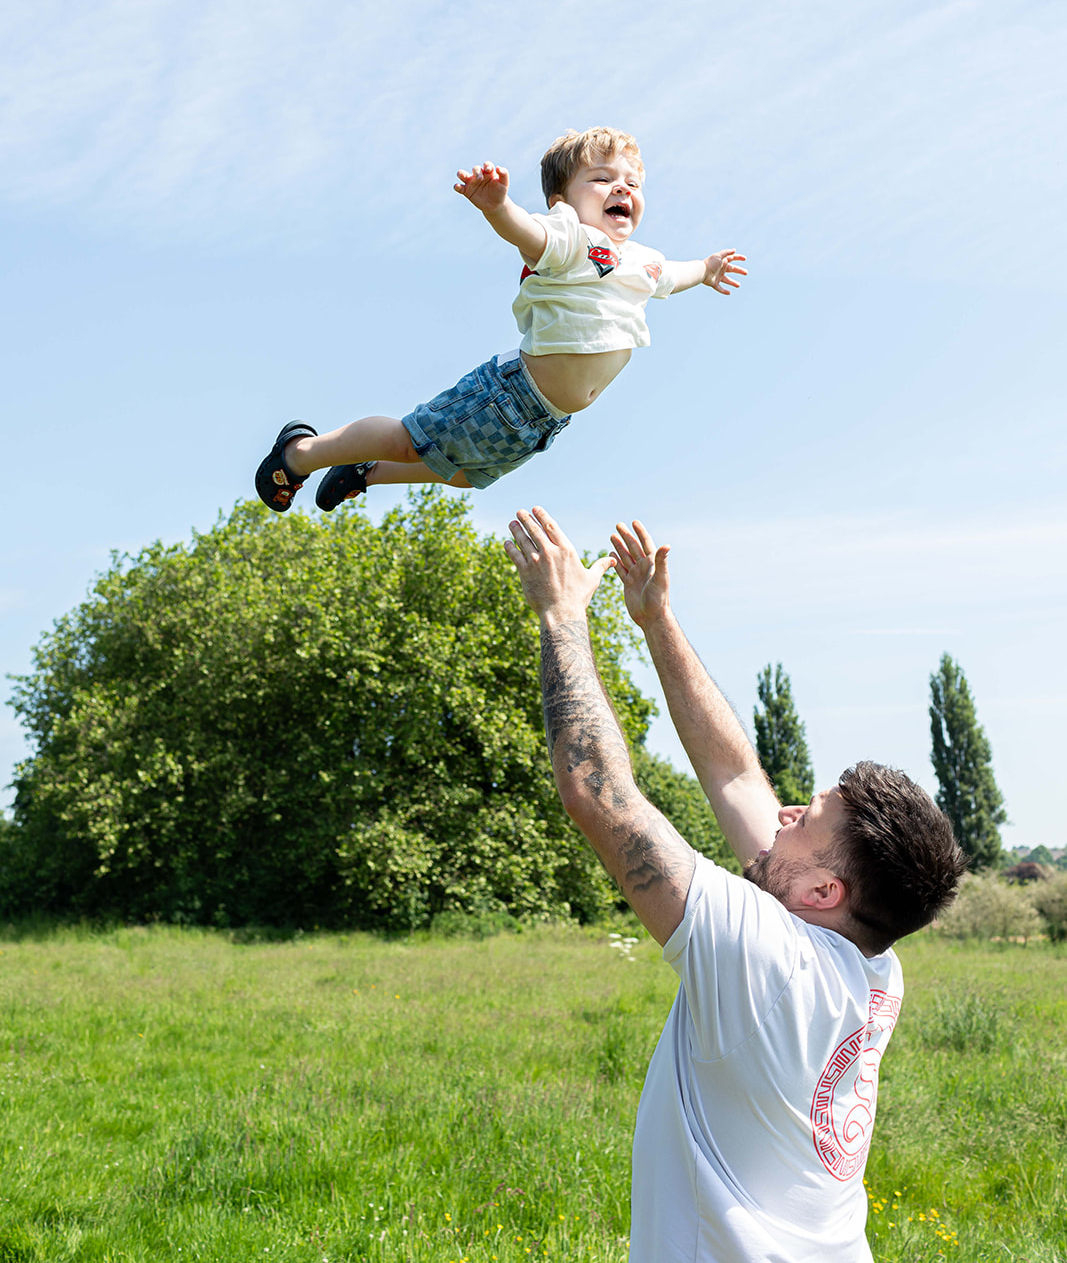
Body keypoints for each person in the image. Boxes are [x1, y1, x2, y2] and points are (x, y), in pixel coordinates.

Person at [504, 506, 966, 1263]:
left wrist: (561, 615)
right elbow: (735, 775)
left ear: (824, 892)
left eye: (804, 819)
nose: (782, 814)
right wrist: (656, 621)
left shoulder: (766, 959)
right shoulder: (873, 958)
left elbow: (597, 793)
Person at [255, 126, 745, 512]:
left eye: (632, 183)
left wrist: (705, 270)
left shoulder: (642, 259)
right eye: (601, 179)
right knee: (410, 440)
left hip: (548, 418)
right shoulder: (571, 236)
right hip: (512, 394)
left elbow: (674, 275)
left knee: (466, 477)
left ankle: (364, 472)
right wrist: (499, 207)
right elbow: (530, 234)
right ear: (562, 201)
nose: (621, 188)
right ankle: (299, 453)